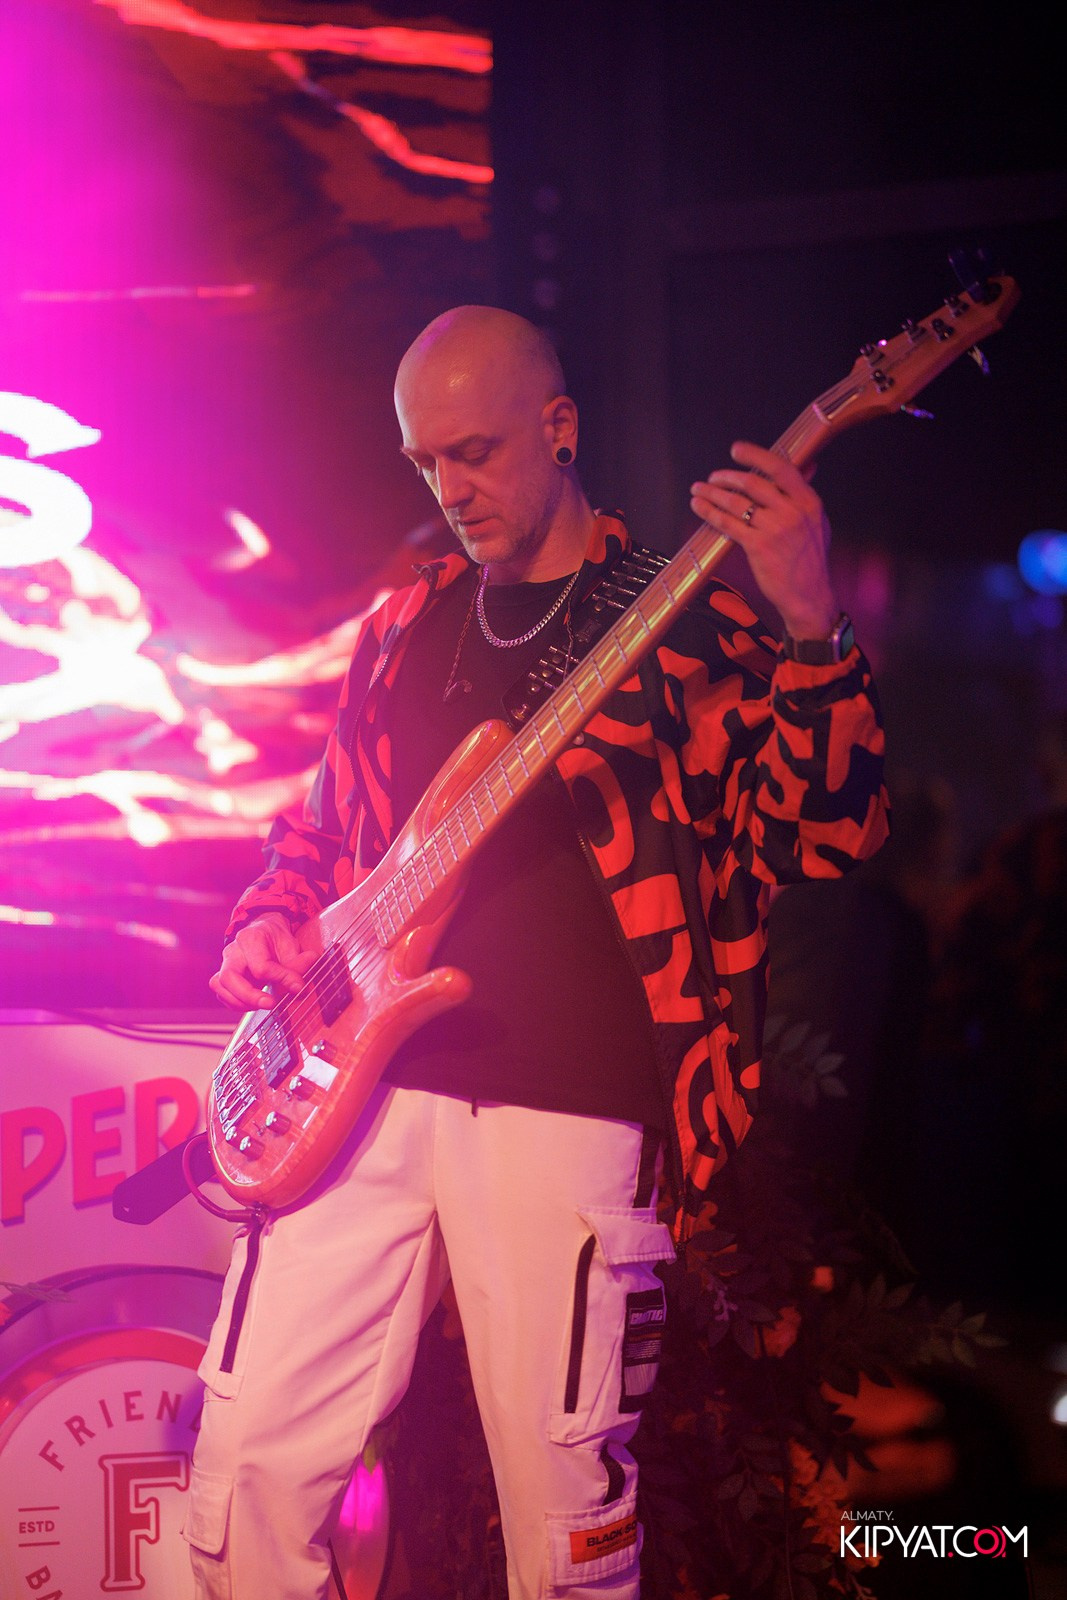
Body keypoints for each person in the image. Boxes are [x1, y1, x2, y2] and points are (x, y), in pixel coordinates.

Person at [184, 305, 889, 1599]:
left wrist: (809, 622)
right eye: (425, 463)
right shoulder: (404, 626)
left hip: (570, 1103)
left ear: (559, 427)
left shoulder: (682, 623)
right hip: (358, 1094)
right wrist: (270, 921)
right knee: (244, 1473)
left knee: (563, 1528)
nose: (449, 490)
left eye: (475, 452)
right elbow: (319, 832)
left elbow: (827, 834)